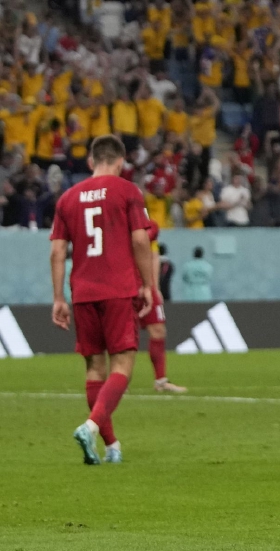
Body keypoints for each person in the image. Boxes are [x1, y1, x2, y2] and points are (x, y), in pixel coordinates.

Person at [49, 134, 155, 465]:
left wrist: (58, 298)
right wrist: (149, 285)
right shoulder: (127, 190)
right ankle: (91, 426)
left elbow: (57, 251)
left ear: (91, 161)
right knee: (122, 365)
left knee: (94, 368)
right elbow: (140, 241)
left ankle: (111, 447)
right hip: (118, 289)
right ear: (121, 162)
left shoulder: (67, 198)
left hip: (82, 292)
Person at [140, 219, 187, 393]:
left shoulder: (149, 226)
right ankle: (118, 382)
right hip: (125, 286)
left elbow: (153, 257)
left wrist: (154, 287)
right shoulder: (119, 224)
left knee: (158, 330)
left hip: (146, 286)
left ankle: (161, 380)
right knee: (122, 336)